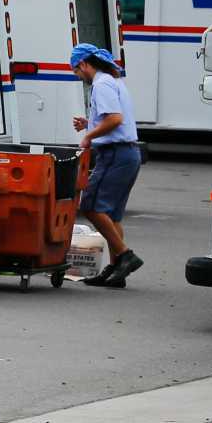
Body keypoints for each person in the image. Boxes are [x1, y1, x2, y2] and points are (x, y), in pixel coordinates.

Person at [69, 44, 145, 288]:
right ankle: (116, 270)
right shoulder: (113, 81)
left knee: (90, 205)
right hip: (127, 154)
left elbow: (115, 119)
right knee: (111, 214)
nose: (78, 77)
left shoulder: (101, 85)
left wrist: (89, 136)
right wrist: (90, 124)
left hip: (115, 154)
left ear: (83, 64)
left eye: (76, 72)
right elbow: (112, 119)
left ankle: (125, 256)